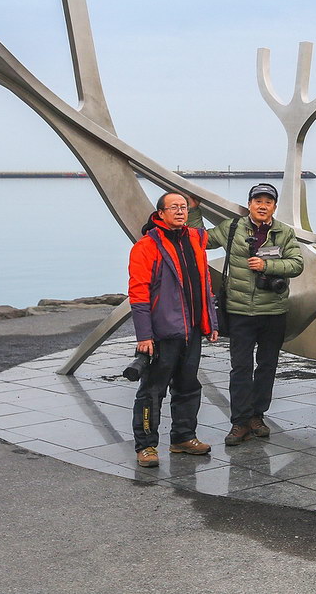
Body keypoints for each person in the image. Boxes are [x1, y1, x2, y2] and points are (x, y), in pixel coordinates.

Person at [188, 183, 304, 445]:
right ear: (249, 204)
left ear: (274, 207)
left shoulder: (284, 232)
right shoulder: (232, 228)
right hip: (240, 311)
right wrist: (194, 211)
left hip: (273, 311)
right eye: (258, 201)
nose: (263, 206)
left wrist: (267, 265)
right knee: (240, 368)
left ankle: (257, 416)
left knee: (267, 366)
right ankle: (240, 422)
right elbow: (200, 241)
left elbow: (297, 264)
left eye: (268, 202)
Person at [128, 192, 219, 468]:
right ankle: (146, 446)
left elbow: (205, 284)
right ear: (160, 213)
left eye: (183, 207)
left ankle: (183, 437)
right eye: (174, 207)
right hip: (162, 333)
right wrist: (144, 335)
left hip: (192, 330)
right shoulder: (146, 246)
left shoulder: (195, 239)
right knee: (152, 391)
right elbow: (138, 294)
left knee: (188, 386)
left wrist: (211, 322)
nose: (180, 211)